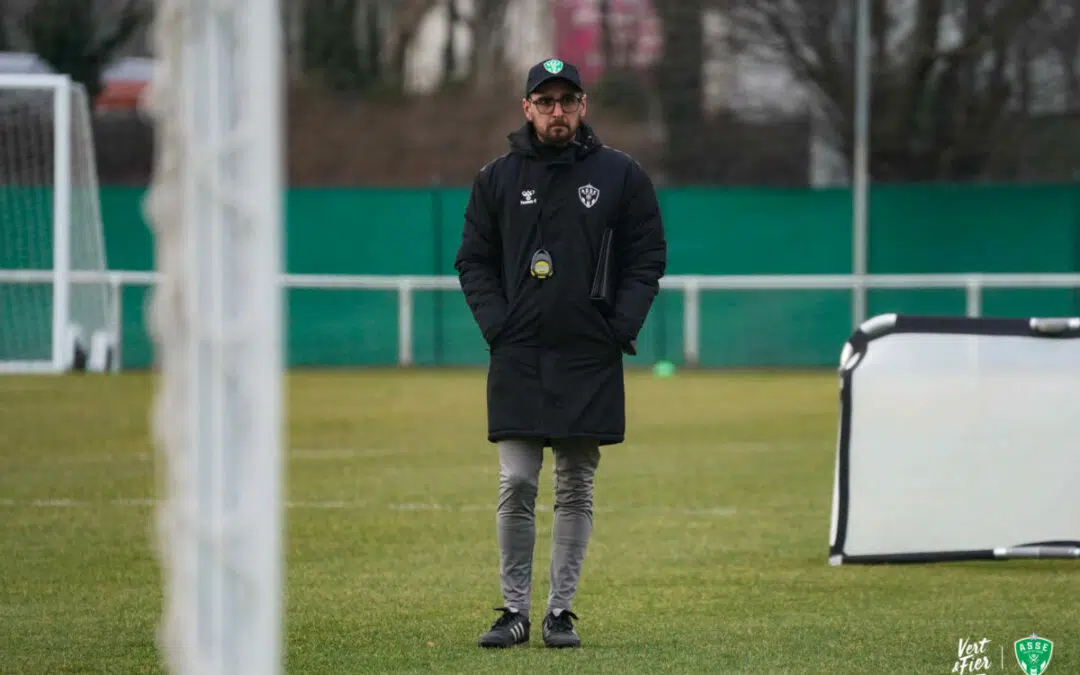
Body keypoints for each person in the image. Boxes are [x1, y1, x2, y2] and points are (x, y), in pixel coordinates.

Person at [454, 57, 667, 649]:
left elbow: (647, 255)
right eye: (544, 102)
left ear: (582, 105)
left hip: (587, 353)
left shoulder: (621, 175)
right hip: (519, 352)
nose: (556, 111)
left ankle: (560, 613)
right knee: (518, 480)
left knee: (575, 484)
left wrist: (618, 324)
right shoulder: (495, 177)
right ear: (526, 108)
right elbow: (472, 258)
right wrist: (498, 324)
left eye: (566, 100)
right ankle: (513, 610)